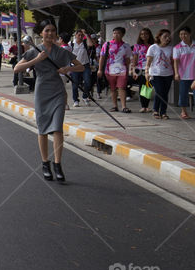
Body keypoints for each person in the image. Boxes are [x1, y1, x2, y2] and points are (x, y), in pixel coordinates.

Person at [13, 19, 84, 182]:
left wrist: (68, 68)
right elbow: (17, 68)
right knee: (43, 129)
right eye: (47, 30)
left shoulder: (63, 52)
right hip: (42, 91)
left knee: (58, 128)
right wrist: (37, 59)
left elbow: (81, 66)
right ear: (41, 33)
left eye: (53, 30)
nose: (50, 33)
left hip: (58, 91)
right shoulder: (33, 51)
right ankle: (45, 163)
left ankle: (58, 164)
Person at [97, 26, 133, 113]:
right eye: (114, 33)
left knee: (122, 87)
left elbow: (128, 59)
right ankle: (115, 106)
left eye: (118, 33)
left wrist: (129, 69)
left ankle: (124, 106)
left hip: (122, 69)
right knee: (113, 88)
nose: (116, 35)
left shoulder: (126, 46)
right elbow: (102, 57)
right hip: (110, 69)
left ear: (122, 35)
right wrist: (100, 69)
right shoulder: (107, 44)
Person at [146, 29, 175, 120]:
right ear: (159, 37)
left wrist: (175, 73)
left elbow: (172, 62)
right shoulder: (153, 47)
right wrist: (146, 72)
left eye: (168, 37)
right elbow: (148, 62)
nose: (167, 38)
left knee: (165, 93)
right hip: (156, 73)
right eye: (165, 36)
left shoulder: (171, 48)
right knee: (159, 92)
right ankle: (155, 110)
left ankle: (163, 112)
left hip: (168, 74)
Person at [131, 28, 155, 113]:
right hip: (140, 69)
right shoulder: (137, 46)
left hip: (151, 69)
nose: (144, 36)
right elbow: (135, 59)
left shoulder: (153, 45)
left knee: (148, 87)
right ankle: (143, 106)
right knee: (142, 87)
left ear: (149, 35)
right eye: (142, 34)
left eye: (146, 34)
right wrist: (133, 71)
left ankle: (147, 106)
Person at [173, 26, 195, 119]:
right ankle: (184, 112)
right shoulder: (177, 47)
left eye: (185, 34)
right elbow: (176, 61)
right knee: (183, 93)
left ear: (190, 34)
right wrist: (176, 73)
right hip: (184, 75)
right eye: (181, 34)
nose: (183, 36)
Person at [70, 30, 91, 107]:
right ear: (75, 35)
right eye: (79, 35)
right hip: (75, 66)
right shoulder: (71, 44)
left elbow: (91, 44)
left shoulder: (85, 43)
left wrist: (86, 34)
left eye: (82, 35)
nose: (80, 37)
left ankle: (85, 96)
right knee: (75, 84)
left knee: (88, 82)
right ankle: (75, 100)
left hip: (85, 65)